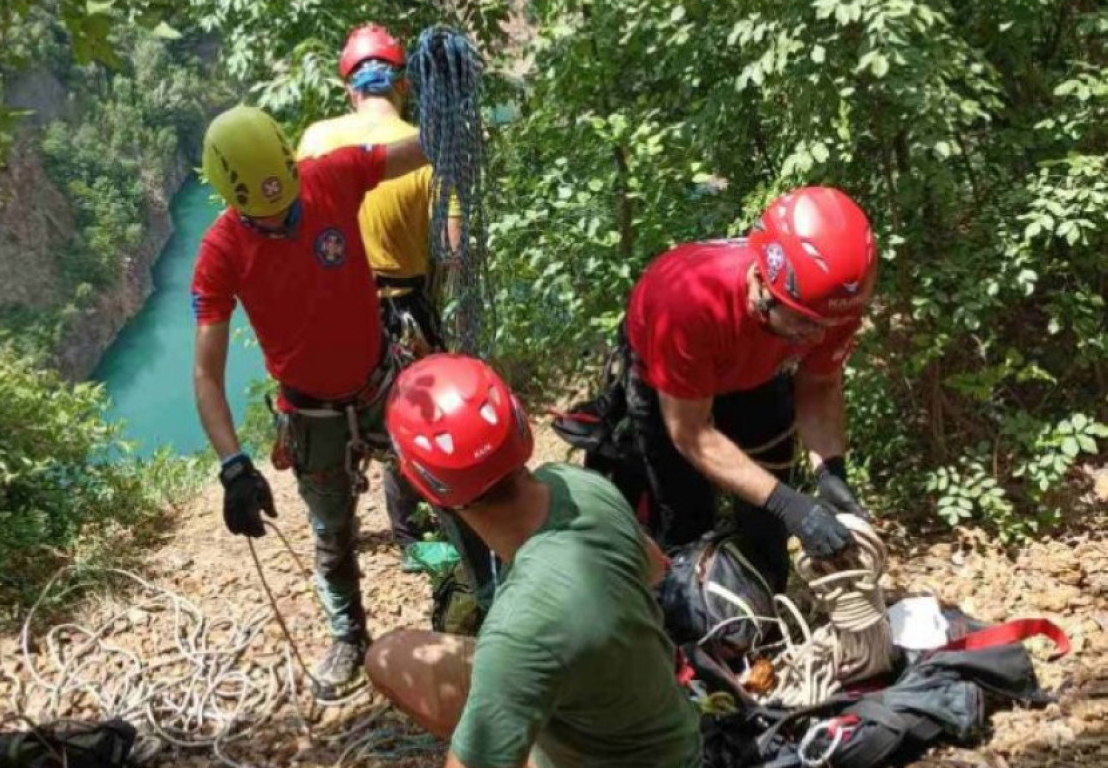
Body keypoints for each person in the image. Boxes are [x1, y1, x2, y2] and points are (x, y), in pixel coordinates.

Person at [190, 104, 431, 698]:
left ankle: (486, 596)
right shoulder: (221, 251)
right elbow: (205, 373)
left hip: (380, 381)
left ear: (293, 169)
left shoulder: (331, 175)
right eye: (264, 219)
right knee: (331, 531)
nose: (281, 222)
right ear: (234, 199)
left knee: (446, 487)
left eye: (288, 209)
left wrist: (467, 101)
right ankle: (349, 634)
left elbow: (424, 147)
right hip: (311, 412)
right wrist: (233, 466)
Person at [367, 354, 703, 768]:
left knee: (390, 659)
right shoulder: (577, 485)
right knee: (388, 654)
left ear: (428, 488)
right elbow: (654, 570)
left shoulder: (518, 630)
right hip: (671, 729)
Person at [624, 186, 877, 591]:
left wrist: (832, 475)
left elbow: (819, 383)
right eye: (803, 323)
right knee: (688, 516)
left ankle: (767, 611)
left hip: (756, 372)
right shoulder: (689, 305)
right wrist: (791, 503)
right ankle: (692, 626)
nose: (815, 337)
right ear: (762, 282)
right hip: (673, 382)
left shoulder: (828, 305)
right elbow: (691, 433)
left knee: (769, 524)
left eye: (824, 326)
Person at [298, 23, 464, 565]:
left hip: (328, 309)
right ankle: (413, 537)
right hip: (403, 304)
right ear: (403, 87)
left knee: (327, 415)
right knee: (412, 414)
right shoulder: (427, 148)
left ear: (350, 87)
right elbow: (453, 247)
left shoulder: (316, 141)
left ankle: (332, 532)